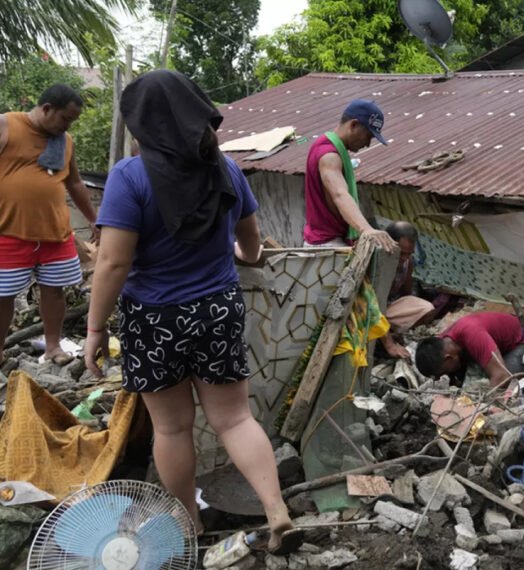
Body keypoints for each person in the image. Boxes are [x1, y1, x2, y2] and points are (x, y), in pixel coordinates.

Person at [83, 70, 299, 553]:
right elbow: (251, 243)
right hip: (218, 309)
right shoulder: (226, 169)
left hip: (154, 318)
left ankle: (190, 526)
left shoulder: (129, 177)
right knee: (236, 420)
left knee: (172, 427)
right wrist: (243, 256)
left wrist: (95, 328)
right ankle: (276, 511)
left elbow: (114, 262)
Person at [0, 84, 98, 365]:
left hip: (55, 233)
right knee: (3, 296)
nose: (68, 126)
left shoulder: (65, 141)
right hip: (9, 231)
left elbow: (75, 183)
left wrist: (94, 218)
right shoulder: (6, 125)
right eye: (66, 118)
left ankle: (53, 347)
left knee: (54, 292)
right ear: (46, 109)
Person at [302, 99, 396, 253]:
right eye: (368, 136)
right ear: (353, 125)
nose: (367, 144)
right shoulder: (329, 156)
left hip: (328, 241)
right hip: (327, 245)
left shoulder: (328, 147)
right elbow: (339, 194)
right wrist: (366, 229)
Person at [415, 312, 524, 388]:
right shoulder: (443, 341)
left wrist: (481, 406)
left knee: (506, 384)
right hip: (497, 343)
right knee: (469, 381)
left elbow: (501, 376)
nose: (446, 375)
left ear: (448, 357)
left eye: (445, 372)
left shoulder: (472, 335)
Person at [379, 221, 436, 359]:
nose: (404, 258)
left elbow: (406, 294)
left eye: (408, 254)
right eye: (401, 253)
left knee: (427, 309)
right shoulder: (378, 262)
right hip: (370, 310)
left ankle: (395, 333)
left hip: (389, 308)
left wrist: (409, 315)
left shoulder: (407, 262)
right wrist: (390, 345)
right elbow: (370, 304)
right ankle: (383, 339)